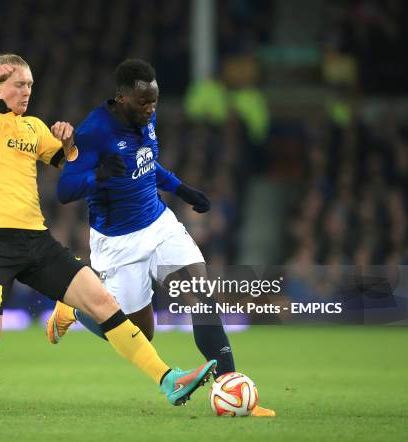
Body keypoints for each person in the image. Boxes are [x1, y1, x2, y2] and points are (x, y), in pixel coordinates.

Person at [0, 53, 216, 413]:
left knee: (104, 303)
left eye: (31, 85)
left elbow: (72, 166)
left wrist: (69, 140)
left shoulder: (34, 127)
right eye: (20, 84)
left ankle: (168, 380)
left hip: (37, 241)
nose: (27, 92)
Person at [49, 58, 274, 417]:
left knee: (200, 295)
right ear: (121, 98)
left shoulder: (144, 117)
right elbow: (64, 189)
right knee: (139, 333)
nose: (151, 109)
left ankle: (230, 385)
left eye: (154, 101)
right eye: (144, 102)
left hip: (158, 224)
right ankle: (76, 310)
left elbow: (147, 163)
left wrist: (182, 189)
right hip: (117, 243)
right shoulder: (95, 131)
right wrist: (99, 176)